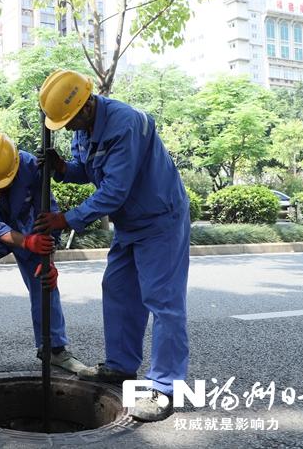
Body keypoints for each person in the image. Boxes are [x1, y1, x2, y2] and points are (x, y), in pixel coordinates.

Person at [34, 70, 190, 422]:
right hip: (130, 222)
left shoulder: (125, 123)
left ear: (87, 105)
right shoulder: (85, 127)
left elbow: (114, 189)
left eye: (70, 120)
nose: (68, 128)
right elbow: (89, 171)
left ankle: (165, 387)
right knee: (118, 288)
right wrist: (62, 168)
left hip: (159, 219)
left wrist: (67, 219)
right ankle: (121, 366)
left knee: (163, 301)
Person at [0, 132, 85, 376]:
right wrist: (26, 242)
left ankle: (54, 349)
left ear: (15, 165)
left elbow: (48, 212)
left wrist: (49, 260)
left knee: (45, 282)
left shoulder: (33, 166)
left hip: (28, 226)